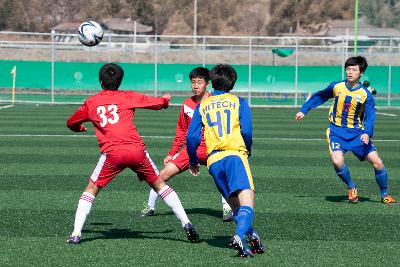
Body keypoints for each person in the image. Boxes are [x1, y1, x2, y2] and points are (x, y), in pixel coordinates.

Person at [66, 63, 199, 244]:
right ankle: (186, 223)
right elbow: (154, 103)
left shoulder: (91, 102)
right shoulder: (128, 96)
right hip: (137, 151)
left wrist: (79, 127)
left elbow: (71, 122)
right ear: (120, 81)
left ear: (100, 81)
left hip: (112, 153)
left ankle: (76, 234)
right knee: (160, 185)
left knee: (91, 189)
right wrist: (165, 100)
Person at [187, 64, 265, 257]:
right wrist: (247, 149)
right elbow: (246, 131)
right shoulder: (239, 102)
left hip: (214, 161)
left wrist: (193, 160)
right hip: (234, 155)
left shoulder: (203, 105)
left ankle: (253, 237)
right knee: (247, 205)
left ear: (212, 82)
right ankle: (239, 236)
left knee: (237, 209)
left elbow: (191, 138)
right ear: (233, 82)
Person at [295, 56, 395, 204]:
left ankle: (384, 194)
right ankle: (351, 187)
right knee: (337, 161)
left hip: (357, 134)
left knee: (378, 163)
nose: (350, 72)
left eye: (354, 70)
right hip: (336, 132)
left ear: (361, 73)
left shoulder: (365, 94)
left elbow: (370, 116)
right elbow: (320, 96)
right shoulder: (336, 87)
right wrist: (304, 110)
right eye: (348, 69)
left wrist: (367, 133)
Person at [140, 67, 233, 221]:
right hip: (191, 150)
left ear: (207, 84)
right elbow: (181, 132)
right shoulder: (186, 105)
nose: (195, 86)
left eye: (199, 82)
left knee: (223, 176)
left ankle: (227, 209)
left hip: (212, 149)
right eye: (193, 82)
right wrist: (172, 152)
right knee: (162, 175)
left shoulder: (215, 102)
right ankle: (149, 207)